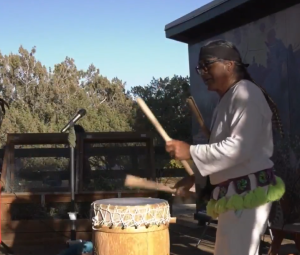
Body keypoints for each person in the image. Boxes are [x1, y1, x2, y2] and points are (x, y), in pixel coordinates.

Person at [165, 40, 286, 255]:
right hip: (235, 196)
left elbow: (239, 149)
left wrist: (191, 151)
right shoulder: (229, 98)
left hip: (247, 195)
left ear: (230, 65)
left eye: (207, 65)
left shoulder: (246, 93)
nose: (203, 72)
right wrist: (196, 177)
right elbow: (228, 155)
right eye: (199, 67)